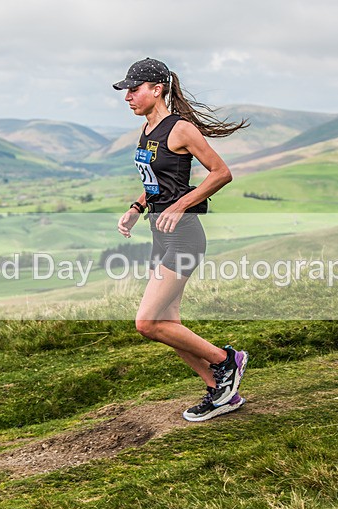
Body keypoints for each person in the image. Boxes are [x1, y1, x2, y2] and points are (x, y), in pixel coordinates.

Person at [113, 57, 250, 422]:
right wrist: (137, 207)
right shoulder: (147, 130)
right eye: (126, 90)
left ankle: (226, 361)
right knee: (167, 325)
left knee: (148, 323)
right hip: (161, 234)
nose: (127, 96)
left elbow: (221, 173)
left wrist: (183, 205)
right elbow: (156, 183)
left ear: (157, 90)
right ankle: (221, 393)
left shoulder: (181, 129)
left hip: (185, 235)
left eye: (134, 88)